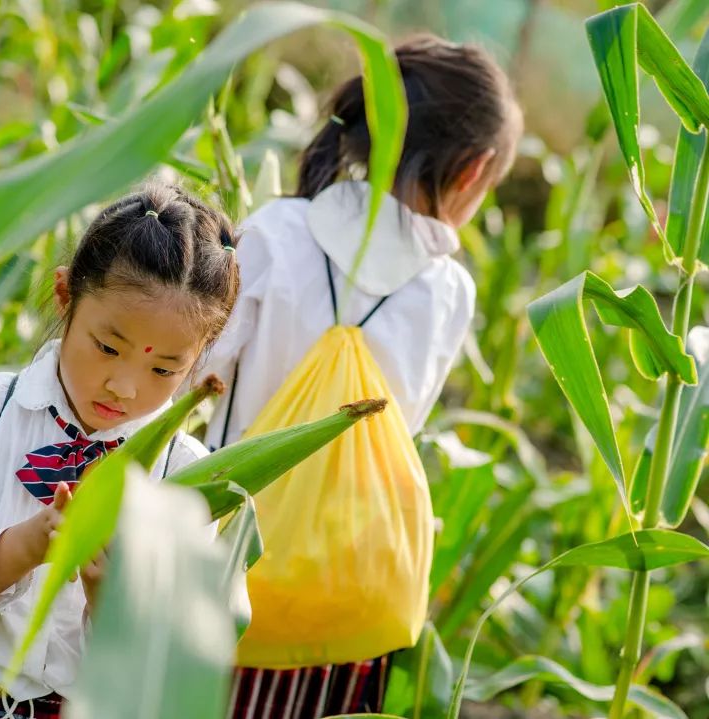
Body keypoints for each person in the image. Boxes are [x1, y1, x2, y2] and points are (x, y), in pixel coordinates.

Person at [203, 34, 523, 717]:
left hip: (225, 577)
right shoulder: (446, 294)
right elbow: (400, 435)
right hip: (343, 595)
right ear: (474, 173)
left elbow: (196, 375)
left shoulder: (277, 233)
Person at [0, 184, 240, 719]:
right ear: (66, 295)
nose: (124, 387)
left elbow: (167, 671)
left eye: (164, 369)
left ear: (200, 355)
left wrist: (108, 593)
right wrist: (28, 544)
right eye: (107, 347)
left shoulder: (184, 477)